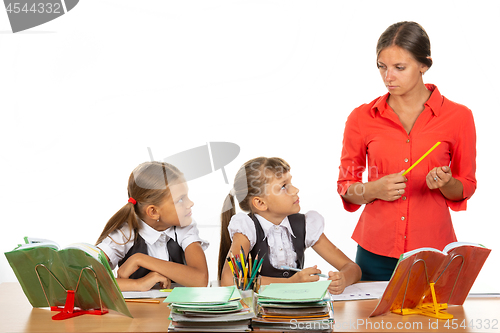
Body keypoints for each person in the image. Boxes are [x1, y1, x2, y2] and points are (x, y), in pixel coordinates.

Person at [337, 21, 477, 281]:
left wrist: (446, 184)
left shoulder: (459, 117)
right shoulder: (361, 118)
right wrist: (374, 189)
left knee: (431, 323)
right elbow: (346, 186)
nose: (388, 77)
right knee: (373, 323)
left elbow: (466, 186)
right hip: (374, 253)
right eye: (382, 67)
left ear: (424, 65)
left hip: (432, 252)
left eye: (399, 68)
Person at [219, 157, 361, 294]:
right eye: (284, 186)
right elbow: (228, 281)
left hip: (296, 314)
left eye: (291, 183)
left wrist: (344, 279)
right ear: (260, 203)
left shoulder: (305, 225)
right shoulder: (247, 229)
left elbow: (353, 268)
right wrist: (292, 283)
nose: (295, 190)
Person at [96, 161, 209, 291]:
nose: (190, 203)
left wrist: (140, 259)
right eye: (180, 199)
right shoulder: (124, 234)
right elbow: (85, 280)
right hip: (138, 311)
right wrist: (137, 284)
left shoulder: (185, 228)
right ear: (153, 212)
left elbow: (200, 279)